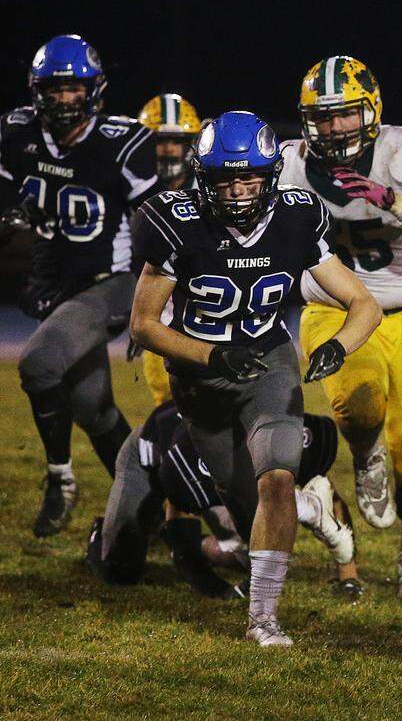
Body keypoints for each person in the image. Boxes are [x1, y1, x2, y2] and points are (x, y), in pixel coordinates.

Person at [129, 110, 382, 646]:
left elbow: (362, 302)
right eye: (225, 177)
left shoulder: (295, 217)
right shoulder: (174, 221)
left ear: (270, 177)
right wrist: (211, 356)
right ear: (205, 176)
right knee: (240, 498)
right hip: (200, 377)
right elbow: (144, 326)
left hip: (269, 363)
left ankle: (263, 620)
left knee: (276, 479)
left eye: (248, 176)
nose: (238, 189)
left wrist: (339, 344)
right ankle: (310, 509)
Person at [285, 55, 402, 596]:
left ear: (372, 111)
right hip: (333, 307)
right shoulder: (289, 165)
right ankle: (365, 454)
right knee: (357, 407)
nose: (334, 127)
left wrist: (390, 198)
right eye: (323, 117)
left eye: (345, 114)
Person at [0, 34, 157, 537]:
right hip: (53, 287)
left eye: (74, 89)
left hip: (110, 282)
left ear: (94, 89)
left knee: (40, 364)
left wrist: (152, 308)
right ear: (36, 91)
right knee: (94, 408)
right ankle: (153, 506)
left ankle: (60, 477)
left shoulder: (123, 143)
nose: (64, 99)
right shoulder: (17, 132)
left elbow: (157, 228)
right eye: (54, 89)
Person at [87, 402, 360, 599]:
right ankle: (105, 532)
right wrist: (217, 589)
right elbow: (183, 539)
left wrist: (348, 573)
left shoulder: (293, 435)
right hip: (148, 460)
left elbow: (329, 498)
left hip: (222, 456)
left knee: (249, 549)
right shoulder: (194, 464)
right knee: (121, 570)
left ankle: (215, 542)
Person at [134, 92, 204, 406]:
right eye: (159, 141)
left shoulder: (211, 189)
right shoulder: (132, 190)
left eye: (177, 141)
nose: (168, 150)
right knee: (168, 403)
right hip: (160, 316)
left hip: (210, 309)